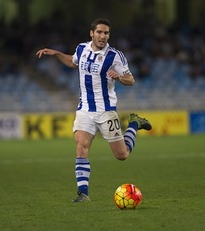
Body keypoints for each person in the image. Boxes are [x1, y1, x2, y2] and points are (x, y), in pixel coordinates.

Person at [36, 18, 152, 202]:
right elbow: (73, 61)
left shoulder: (115, 56)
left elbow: (131, 79)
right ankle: (83, 193)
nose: (102, 36)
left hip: (106, 110)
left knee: (122, 155)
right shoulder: (82, 48)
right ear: (92, 33)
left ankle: (134, 123)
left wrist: (120, 78)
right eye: (99, 32)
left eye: (106, 33)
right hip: (84, 109)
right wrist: (56, 53)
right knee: (81, 146)